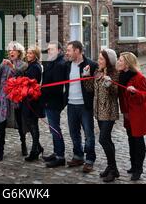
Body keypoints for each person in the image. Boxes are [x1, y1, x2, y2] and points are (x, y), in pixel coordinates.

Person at [64, 41, 98, 173]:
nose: (67, 53)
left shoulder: (91, 65)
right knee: (74, 133)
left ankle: (89, 160)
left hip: (85, 106)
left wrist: (89, 77)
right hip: (71, 104)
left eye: (69, 50)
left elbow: (96, 85)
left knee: (89, 134)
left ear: (77, 51)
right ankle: (78, 156)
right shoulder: (67, 65)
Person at [0, 41, 28, 162]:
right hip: (3, 99)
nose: (11, 52)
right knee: (2, 125)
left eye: (14, 50)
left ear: (19, 52)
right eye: (10, 50)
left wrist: (12, 66)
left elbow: (19, 74)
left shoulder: (23, 64)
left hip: (16, 99)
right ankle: (0, 150)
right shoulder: (5, 63)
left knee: (20, 123)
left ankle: (23, 144)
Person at [116, 52, 146, 181]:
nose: (118, 62)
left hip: (137, 114)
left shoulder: (139, 78)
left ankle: (138, 168)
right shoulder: (122, 76)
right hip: (127, 113)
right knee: (131, 139)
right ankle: (133, 165)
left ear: (127, 64)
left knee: (138, 141)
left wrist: (134, 92)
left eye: (120, 60)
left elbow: (145, 96)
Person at [88, 49, 120, 182]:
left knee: (103, 139)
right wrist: (85, 77)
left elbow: (116, 93)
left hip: (109, 112)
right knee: (107, 140)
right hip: (99, 111)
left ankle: (112, 169)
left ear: (108, 61)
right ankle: (112, 167)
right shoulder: (97, 72)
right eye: (99, 58)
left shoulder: (115, 74)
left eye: (101, 59)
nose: (98, 61)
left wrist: (110, 84)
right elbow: (91, 89)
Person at [40, 42, 67, 168]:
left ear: (59, 50)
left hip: (54, 101)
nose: (49, 52)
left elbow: (57, 87)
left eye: (51, 49)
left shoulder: (60, 64)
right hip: (49, 100)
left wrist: (42, 91)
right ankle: (56, 152)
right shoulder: (52, 62)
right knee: (52, 128)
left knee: (55, 128)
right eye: (48, 50)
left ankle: (60, 156)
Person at [21, 45, 44, 162]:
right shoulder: (31, 65)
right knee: (30, 125)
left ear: (35, 55)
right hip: (27, 99)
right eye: (27, 53)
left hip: (32, 100)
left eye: (30, 53)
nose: (28, 55)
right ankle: (38, 147)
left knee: (33, 125)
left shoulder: (35, 67)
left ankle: (34, 151)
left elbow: (31, 84)